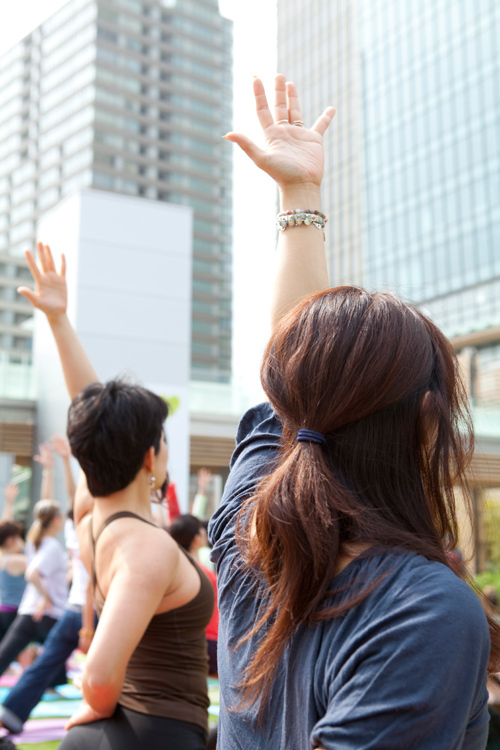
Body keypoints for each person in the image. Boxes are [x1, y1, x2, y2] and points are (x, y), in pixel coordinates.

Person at [208, 75, 499, 749]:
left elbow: (296, 387)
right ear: (427, 420)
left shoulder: (252, 551)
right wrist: (299, 193)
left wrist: (299, 195)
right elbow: (297, 384)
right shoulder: (424, 611)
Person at [17, 242, 214, 750]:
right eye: (163, 438)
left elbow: (93, 413)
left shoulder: (92, 512)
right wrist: (94, 706)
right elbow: (100, 677)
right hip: (150, 736)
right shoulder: (146, 547)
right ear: (150, 457)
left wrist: (59, 320)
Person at [0, 437, 94, 735]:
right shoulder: (69, 537)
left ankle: (13, 712)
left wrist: (64, 464)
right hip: (83, 610)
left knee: (44, 662)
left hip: (65, 610)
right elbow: (63, 499)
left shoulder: (54, 536)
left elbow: (56, 502)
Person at [0, 497, 67, 678]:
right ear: (55, 520)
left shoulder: (32, 544)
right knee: (57, 651)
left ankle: (53, 681)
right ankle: (53, 681)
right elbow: (32, 573)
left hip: (26, 609)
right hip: (44, 610)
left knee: (8, 654)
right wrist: (46, 597)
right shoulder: (48, 545)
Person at [169, 514, 219, 676]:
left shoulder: (175, 571)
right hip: (210, 641)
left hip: (191, 640)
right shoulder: (203, 573)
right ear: (196, 539)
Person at [0, 514, 26, 640]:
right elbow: (41, 564)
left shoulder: (3, 558)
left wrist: (9, 502)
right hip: (15, 613)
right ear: (10, 540)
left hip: (4, 610)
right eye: (19, 537)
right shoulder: (15, 561)